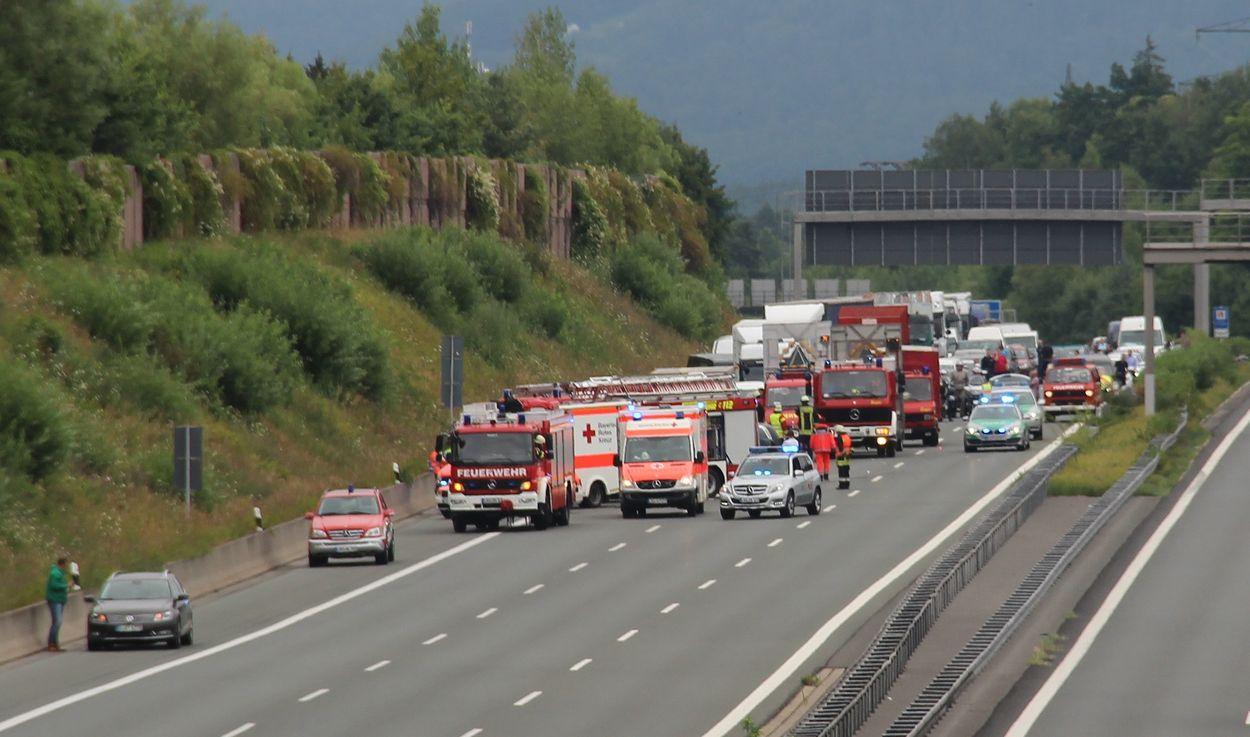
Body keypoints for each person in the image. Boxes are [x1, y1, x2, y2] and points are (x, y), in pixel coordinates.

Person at [45, 558, 69, 652]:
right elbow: (54, 585)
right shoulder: (55, 573)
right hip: (55, 600)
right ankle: (51, 643)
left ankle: (55, 643)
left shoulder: (60, 573)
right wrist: (66, 586)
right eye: (66, 565)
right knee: (57, 622)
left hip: (60, 600)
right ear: (62, 564)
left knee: (56, 622)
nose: (66, 567)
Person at [832, 425, 853, 490]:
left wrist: (838, 453)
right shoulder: (847, 437)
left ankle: (842, 485)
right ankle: (847, 484)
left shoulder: (839, 437)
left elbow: (840, 447)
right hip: (847, 455)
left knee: (841, 471)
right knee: (846, 471)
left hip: (841, 455)